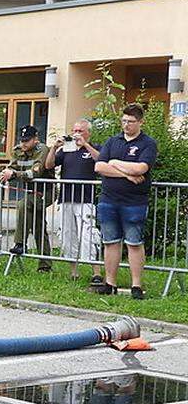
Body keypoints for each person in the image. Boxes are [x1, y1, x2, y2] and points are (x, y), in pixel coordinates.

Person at [94, 103, 158, 299]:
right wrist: (127, 175)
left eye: (130, 121)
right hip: (109, 199)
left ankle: (136, 286)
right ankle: (109, 283)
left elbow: (141, 169)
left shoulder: (148, 143)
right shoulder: (113, 141)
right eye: (123, 121)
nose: (126, 125)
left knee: (134, 242)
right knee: (110, 241)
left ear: (140, 122)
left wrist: (114, 163)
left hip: (134, 202)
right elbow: (99, 167)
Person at [46, 119, 102, 285]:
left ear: (88, 133)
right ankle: (73, 271)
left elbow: (100, 160)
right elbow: (49, 165)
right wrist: (55, 147)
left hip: (86, 199)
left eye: (80, 131)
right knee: (67, 235)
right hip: (66, 198)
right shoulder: (67, 150)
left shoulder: (95, 147)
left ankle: (96, 272)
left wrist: (85, 145)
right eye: (74, 130)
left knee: (89, 234)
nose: (76, 134)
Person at [1, 125, 52, 272]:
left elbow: (35, 173)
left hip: (45, 192)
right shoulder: (18, 150)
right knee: (38, 226)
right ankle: (45, 265)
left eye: (27, 140)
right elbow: (12, 168)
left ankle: (19, 243)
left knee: (23, 205)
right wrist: (7, 173)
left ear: (36, 139)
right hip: (30, 191)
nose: (23, 144)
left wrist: (14, 174)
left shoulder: (42, 150)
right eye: (22, 140)